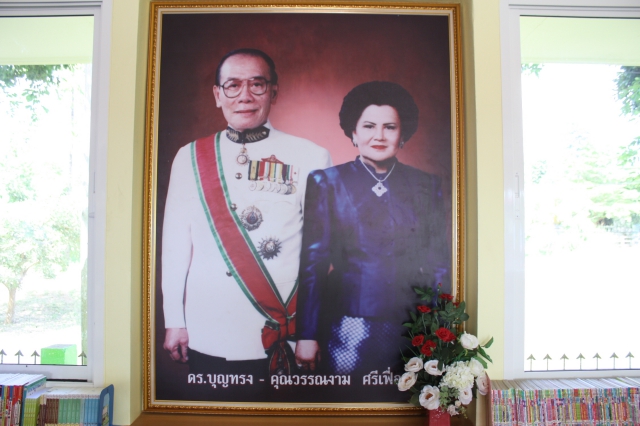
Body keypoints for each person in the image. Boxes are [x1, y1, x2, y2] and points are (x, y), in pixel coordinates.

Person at [161, 48, 332, 399]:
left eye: (257, 84)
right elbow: (175, 246)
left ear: (274, 91)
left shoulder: (311, 156)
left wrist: (310, 332)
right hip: (209, 328)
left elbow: (320, 254)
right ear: (217, 94)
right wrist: (174, 320)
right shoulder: (189, 157)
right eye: (233, 85)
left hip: (280, 329)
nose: (245, 96)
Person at [294, 81, 450, 387]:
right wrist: (307, 334)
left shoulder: (425, 184)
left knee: (401, 401)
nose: (379, 136)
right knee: (347, 402)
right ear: (353, 132)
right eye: (368, 126)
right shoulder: (327, 182)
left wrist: (436, 329)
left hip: (409, 325)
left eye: (390, 127)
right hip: (346, 324)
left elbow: (438, 265)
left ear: (403, 134)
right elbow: (313, 265)